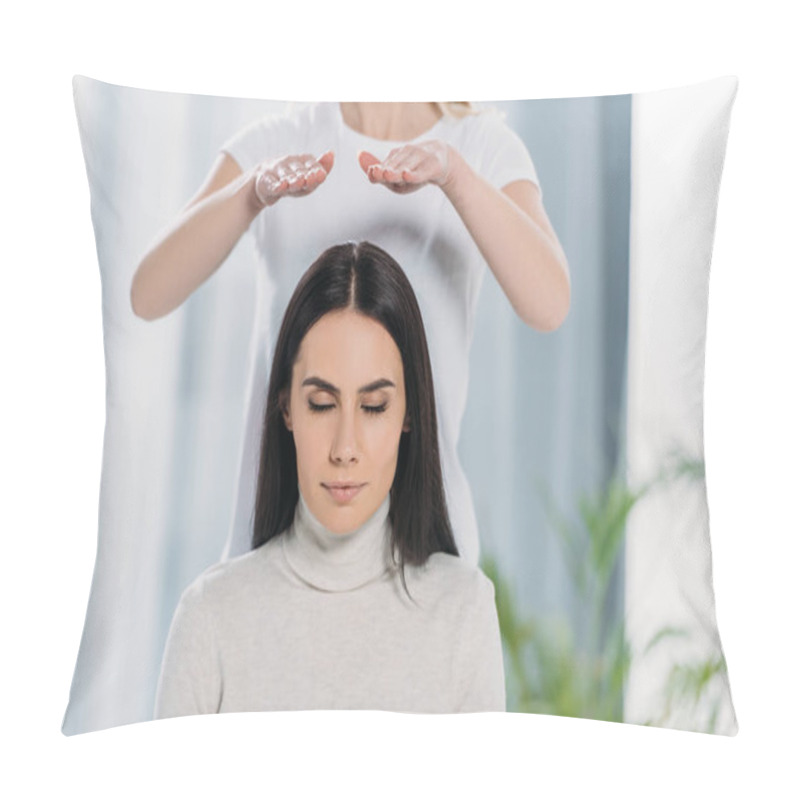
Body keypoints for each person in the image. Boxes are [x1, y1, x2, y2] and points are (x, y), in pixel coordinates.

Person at [131, 101, 570, 566]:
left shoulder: (482, 148)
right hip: (272, 558)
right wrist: (250, 194)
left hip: (421, 561)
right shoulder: (276, 145)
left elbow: (549, 305)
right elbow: (148, 293)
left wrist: (455, 178)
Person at [154, 241, 506, 717]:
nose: (345, 449)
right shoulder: (211, 618)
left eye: (374, 407)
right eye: (322, 404)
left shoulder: (463, 611)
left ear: (408, 414)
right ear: (287, 409)